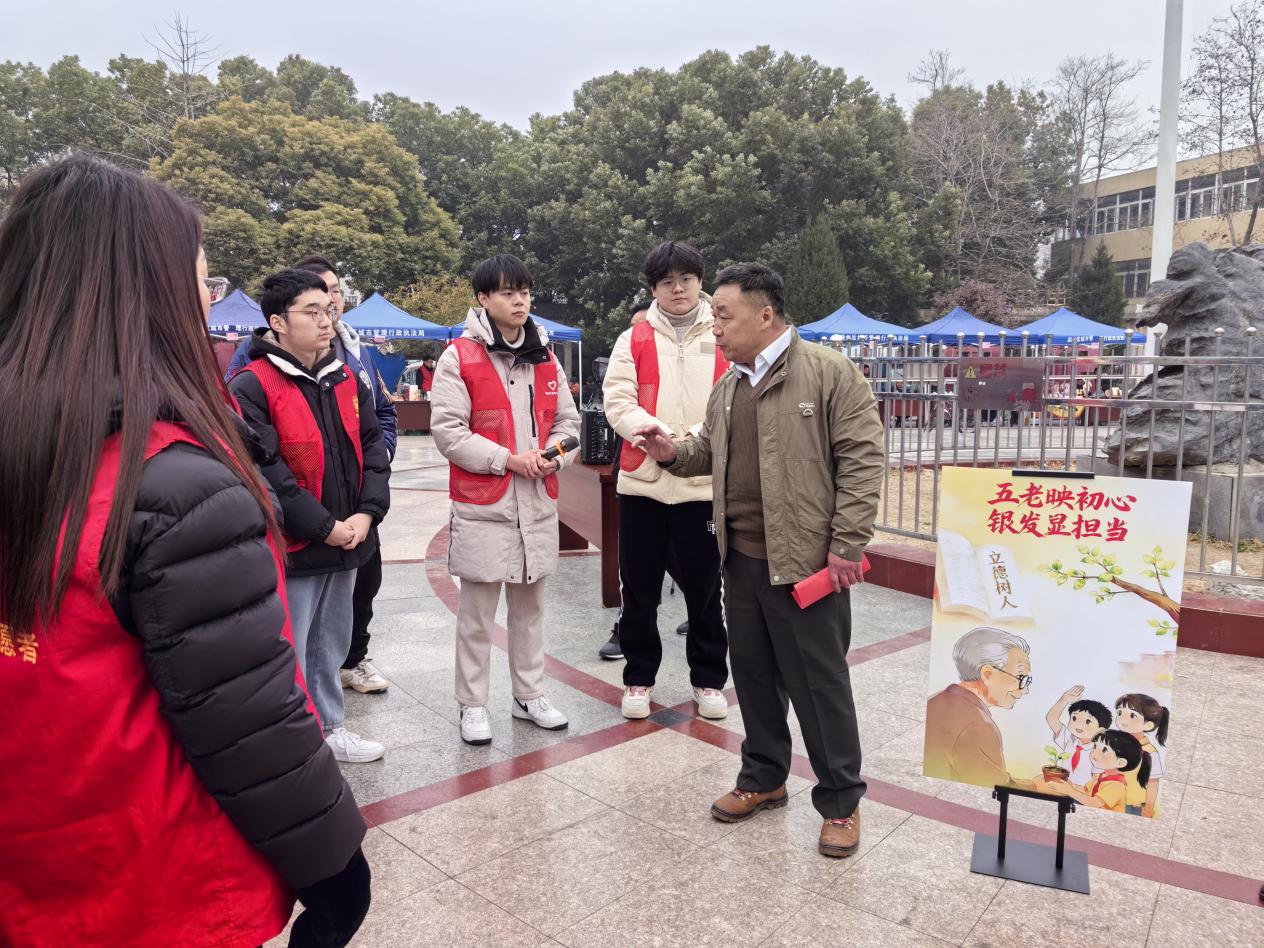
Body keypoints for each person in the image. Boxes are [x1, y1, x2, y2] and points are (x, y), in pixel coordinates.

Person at [0, 155, 369, 947]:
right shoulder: (170, 485)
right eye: (202, 281)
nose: (207, 300)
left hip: (33, 860)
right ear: (150, 296)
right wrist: (335, 863)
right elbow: (246, 716)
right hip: (152, 880)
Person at [634, 262, 884, 859]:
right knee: (753, 678)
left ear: (765, 314)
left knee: (819, 686)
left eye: (723, 315)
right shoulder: (730, 385)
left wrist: (846, 544)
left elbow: (862, 459)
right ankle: (765, 776)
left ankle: (841, 802)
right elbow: (708, 450)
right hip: (741, 561)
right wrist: (672, 453)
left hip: (806, 566)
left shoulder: (828, 372)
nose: (715, 327)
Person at [229, 269, 391, 765]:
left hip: (349, 536)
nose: (326, 321)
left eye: (329, 310)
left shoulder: (346, 376)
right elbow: (267, 472)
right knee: (293, 646)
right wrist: (324, 526)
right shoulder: (251, 385)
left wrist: (366, 514)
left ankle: (332, 727)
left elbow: (372, 447)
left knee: (332, 641)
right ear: (278, 322)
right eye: (312, 312)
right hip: (297, 544)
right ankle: (295, 741)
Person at [430, 254, 581, 745]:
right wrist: (508, 460)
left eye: (525, 292)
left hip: (536, 503)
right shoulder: (459, 357)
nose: (520, 301)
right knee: (476, 614)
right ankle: (472, 703)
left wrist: (553, 457)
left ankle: (528, 695)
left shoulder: (546, 356)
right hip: (485, 505)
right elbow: (449, 432)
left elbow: (569, 424)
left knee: (530, 609)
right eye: (508, 292)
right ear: (483, 298)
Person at [602, 242, 730, 719]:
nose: (677, 289)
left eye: (686, 279)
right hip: (643, 483)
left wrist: (689, 442)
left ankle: (709, 680)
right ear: (653, 288)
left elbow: (731, 398)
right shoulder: (632, 338)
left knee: (706, 590)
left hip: (702, 484)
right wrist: (651, 432)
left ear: (700, 281)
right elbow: (618, 398)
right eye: (666, 282)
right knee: (639, 589)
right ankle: (638, 679)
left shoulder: (723, 332)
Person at [924, 626, 1036, 790]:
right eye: (1020, 677)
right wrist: (1039, 787)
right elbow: (993, 785)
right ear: (988, 674)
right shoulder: (977, 725)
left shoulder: (934, 701)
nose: (1025, 690)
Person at [1045, 730, 1151, 814]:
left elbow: (1094, 802)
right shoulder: (1101, 777)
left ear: (1120, 762)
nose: (1094, 752)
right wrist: (1069, 785)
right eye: (1095, 747)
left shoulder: (1116, 786)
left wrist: (1069, 791)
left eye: (1104, 750)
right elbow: (1086, 791)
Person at [1044, 686, 1111, 788]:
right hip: (1062, 786)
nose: (1078, 724)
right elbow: (1051, 718)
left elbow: (1096, 780)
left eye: (1088, 721)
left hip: (1083, 791)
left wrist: (1075, 790)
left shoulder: (1099, 750)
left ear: (1101, 730)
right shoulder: (1069, 739)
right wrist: (1064, 699)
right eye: (1074, 718)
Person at [1114, 693, 1168, 817]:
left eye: (1132, 715)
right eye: (1120, 713)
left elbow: (1153, 782)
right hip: (1110, 800)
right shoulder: (1114, 742)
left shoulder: (1150, 752)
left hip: (1132, 806)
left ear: (1148, 725)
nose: (1122, 719)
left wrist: (1148, 809)